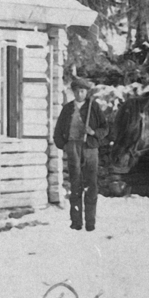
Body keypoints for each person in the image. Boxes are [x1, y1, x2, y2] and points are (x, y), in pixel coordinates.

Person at [52, 78, 107, 231]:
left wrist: (94, 132)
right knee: (75, 184)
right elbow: (58, 131)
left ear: (86, 92)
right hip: (73, 147)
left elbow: (105, 128)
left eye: (82, 91)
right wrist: (65, 145)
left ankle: (90, 223)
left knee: (91, 185)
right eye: (76, 91)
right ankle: (76, 222)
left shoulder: (93, 107)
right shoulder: (68, 109)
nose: (79, 94)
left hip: (90, 148)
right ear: (73, 92)